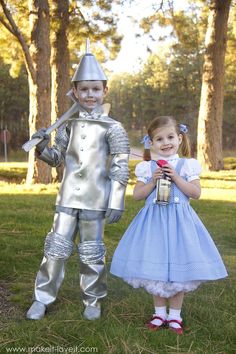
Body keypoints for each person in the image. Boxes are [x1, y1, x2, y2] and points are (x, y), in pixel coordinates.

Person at [26, 40, 130, 321]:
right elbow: (57, 157)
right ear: (74, 92)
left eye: (96, 89)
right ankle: (42, 297)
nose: (90, 94)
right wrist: (41, 148)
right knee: (55, 249)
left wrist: (117, 200)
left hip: (96, 198)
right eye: (84, 89)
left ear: (105, 90)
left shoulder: (113, 127)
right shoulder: (67, 126)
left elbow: (121, 164)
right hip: (68, 196)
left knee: (91, 252)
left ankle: (93, 299)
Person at [110, 116, 228, 334]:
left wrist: (176, 178)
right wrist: (153, 181)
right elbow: (137, 196)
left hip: (180, 224)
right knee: (155, 266)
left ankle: (175, 316)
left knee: (178, 266)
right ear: (151, 143)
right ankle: (159, 313)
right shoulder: (147, 168)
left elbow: (196, 193)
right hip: (154, 224)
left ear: (179, 138)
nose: (166, 143)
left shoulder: (186, 165)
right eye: (159, 139)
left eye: (170, 137)